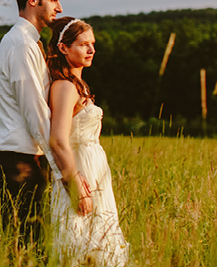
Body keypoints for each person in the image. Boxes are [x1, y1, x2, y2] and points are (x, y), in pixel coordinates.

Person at [0, 0, 63, 253]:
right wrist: (60, 166)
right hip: (18, 162)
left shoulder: (28, 42)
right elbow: (34, 112)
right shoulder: (21, 45)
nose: (59, 7)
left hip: (23, 159)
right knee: (29, 248)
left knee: (27, 245)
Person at [47, 17, 129, 266]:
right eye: (83, 44)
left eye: (92, 44)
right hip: (80, 169)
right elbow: (58, 139)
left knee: (99, 241)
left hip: (94, 169)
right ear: (64, 48)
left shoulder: (77, 85)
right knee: (79, 240)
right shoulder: (64, 87)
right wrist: (74, 184)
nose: (91, 50)